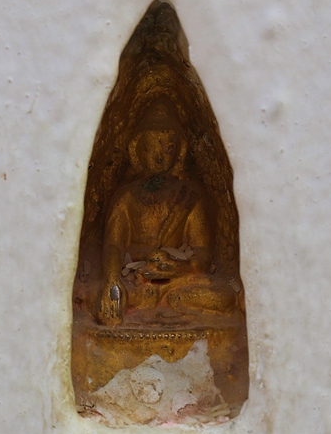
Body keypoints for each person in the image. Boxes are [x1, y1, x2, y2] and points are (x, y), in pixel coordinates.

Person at [97, 99, 235, 326]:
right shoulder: (125, 198)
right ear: (137, 150)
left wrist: (179, 267)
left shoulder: (190, 197)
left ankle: (163, 301)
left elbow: (202, 252)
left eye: (167, 148)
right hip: (134, 282)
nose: (159, 156)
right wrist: (112, 281)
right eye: (151, 147)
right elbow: (113, 246)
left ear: (179, 151)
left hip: (176, 281)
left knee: (224, 297)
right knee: (95, 297)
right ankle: (163, 303)